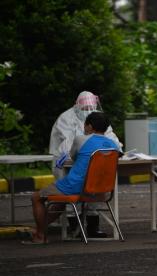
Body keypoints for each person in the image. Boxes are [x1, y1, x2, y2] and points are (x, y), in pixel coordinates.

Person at [25, 112, 119, 244]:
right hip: (100, 191)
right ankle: (39, 231)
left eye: (85, 125)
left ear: (90, 126)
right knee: (59, 202)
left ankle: (40, 236)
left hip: (75, 187)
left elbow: (73, 157)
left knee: (36, 197)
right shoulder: (114, 145)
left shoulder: (80, 139)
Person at [49, 91, 122, 238]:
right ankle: (74, 227)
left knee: (92, 191)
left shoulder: (96, 118)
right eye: (84, 108)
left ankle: (92, 228)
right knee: (73, 193)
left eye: (90, 107)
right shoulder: (66, 118)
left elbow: (111, 137)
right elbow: (67, 146)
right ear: (76, 105)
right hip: (65, 162)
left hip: (86, 162)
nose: (88, 111)